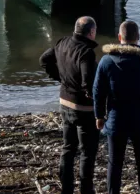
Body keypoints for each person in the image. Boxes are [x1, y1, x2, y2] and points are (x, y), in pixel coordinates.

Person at [93, 21, 140, 194]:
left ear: (119, 37)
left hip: (116, 118)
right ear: (138, 37)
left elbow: (98, 91)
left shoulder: (107, 61)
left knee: (114, 163)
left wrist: (99, 115)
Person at [40, 17, 100, 194]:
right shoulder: (86, 52)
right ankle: (86, 190)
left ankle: (66, 189)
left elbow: (44, 60)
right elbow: (88, 82)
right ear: (91, 32)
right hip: (83, 109)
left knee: (68, 148)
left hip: (65, 103)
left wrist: (60, 78)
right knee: (87, 152)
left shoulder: (62, 43)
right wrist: (95, 99)